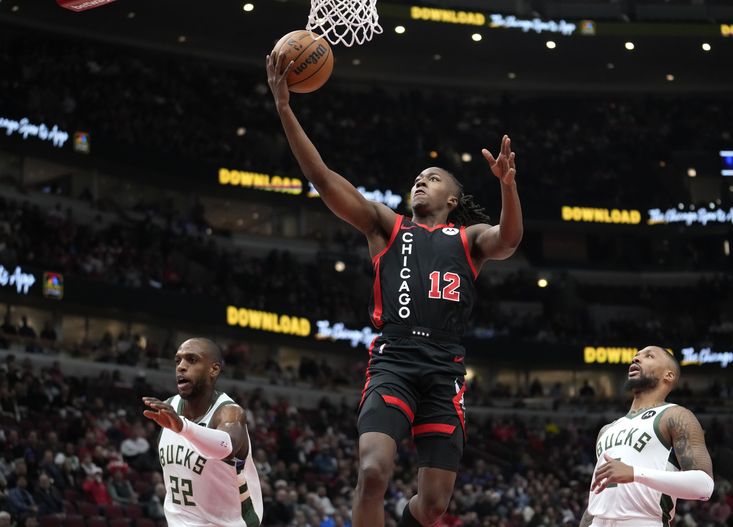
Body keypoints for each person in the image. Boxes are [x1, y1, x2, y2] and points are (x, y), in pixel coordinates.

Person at [266, 52, 523, 527]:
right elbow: (324, 180)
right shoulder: (387, 226)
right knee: (372, 470)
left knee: (433, 506)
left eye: (432, 178)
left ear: (451, 199)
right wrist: (285, 109)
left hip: (445, 367)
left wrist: (508, 186)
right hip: (394, 359)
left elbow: (509, 240)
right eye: (417, 178)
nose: (420, 180)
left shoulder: (470, 239)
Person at [579, 346, 714, 527]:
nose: (636, 359)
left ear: (669, 375)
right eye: (635, 356)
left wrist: (635, 473)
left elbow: (704, 486)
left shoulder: (675, 416)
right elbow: (596, 500)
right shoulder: (607, 430)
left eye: (649, 356)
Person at [142, 338, 263, 527]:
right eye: (178, 360)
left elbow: (227, 447)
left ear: (213, 370)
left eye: (191, 360)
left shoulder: (229, 412)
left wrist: (184, 427)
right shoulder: (169, 407)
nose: (181, 367)